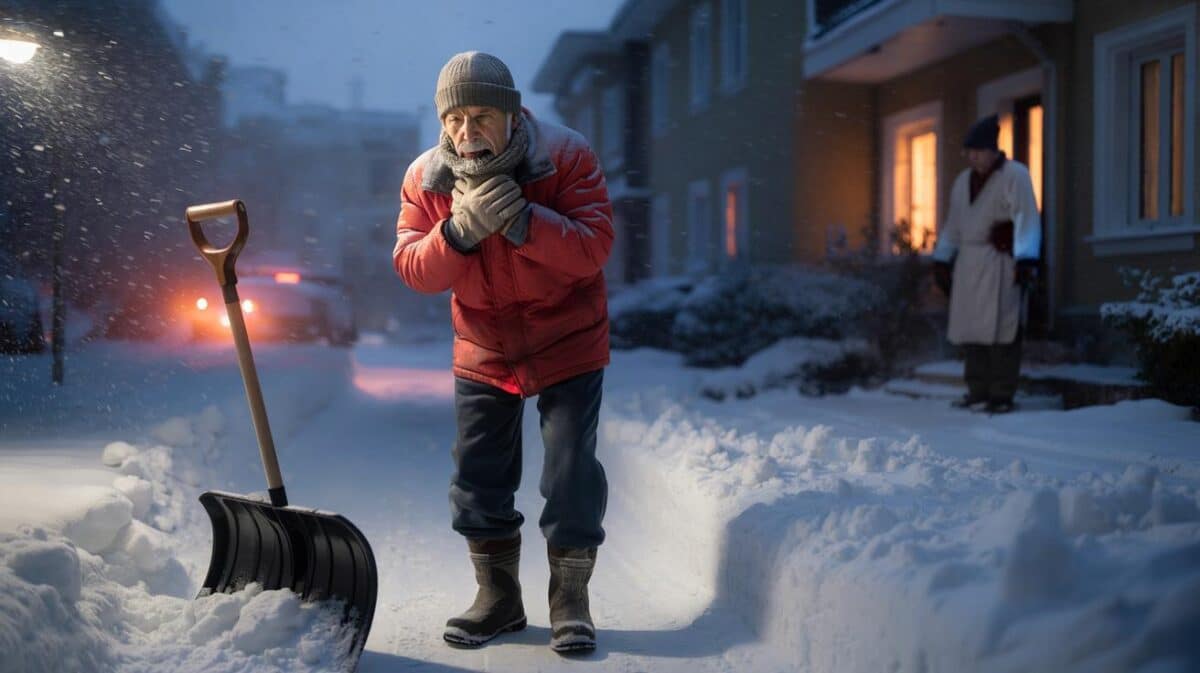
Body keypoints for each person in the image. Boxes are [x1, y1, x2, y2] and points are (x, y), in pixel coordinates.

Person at [392, 51, 613, 653]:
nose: (468, 132)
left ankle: (570, 599)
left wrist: (524, 222)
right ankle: (498, 598)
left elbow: (594, 247)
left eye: (483, 115)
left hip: (567, 339)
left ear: (512, 114)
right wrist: (457, 233)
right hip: (485, 345)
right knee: (478, 475)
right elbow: (412, 267)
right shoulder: (426, 177)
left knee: (569, 471)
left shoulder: (566, 156)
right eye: (456, 119)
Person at [931, 114, 1041, 414]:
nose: (974, 157)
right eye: (970, 152)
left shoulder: (1014, 175)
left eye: (979, 151)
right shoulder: (962, 182)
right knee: (971, 329)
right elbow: (954, 224)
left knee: (1002, 327)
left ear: (993, 150)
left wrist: (1026, 257)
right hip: (969, 262)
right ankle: (977, 390)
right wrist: (942, 258)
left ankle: (1002, 392)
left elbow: (1026, 216)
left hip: (1000, 262)